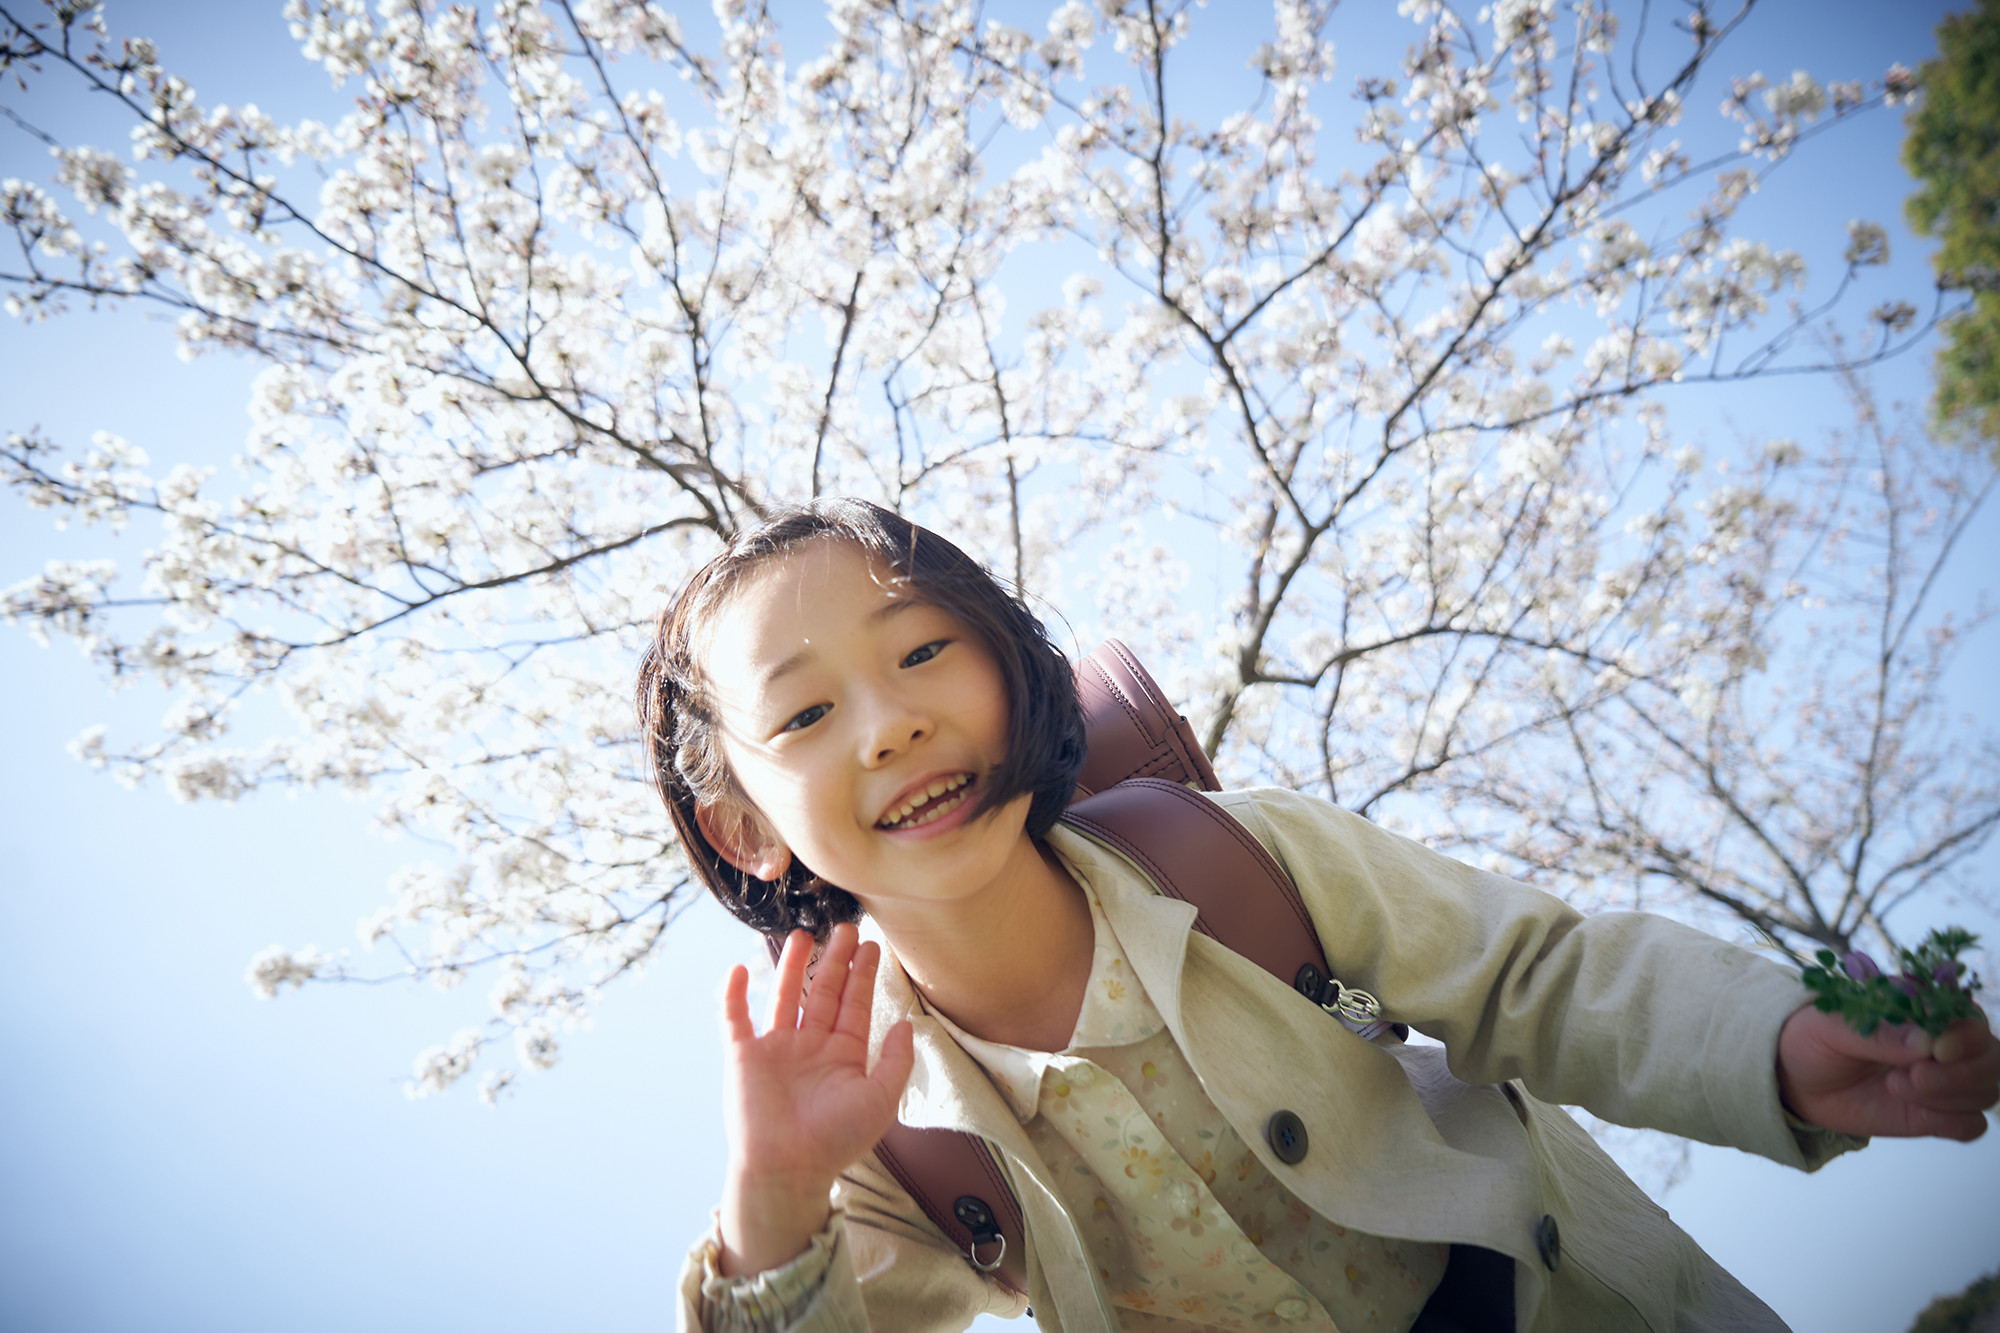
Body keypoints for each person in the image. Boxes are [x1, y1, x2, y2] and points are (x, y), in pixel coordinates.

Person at [636, 498, 2000, 1333]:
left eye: (924, 648)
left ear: (1009, 664)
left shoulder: (1242, 865)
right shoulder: (880, 1125)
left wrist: (1774, 1041)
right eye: (807, 712)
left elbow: (1538, 979)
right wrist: (774, 1202)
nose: (892, 721)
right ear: (742, 824)